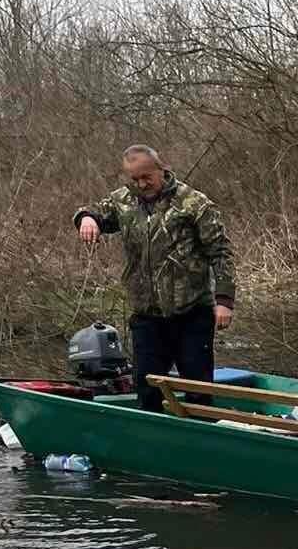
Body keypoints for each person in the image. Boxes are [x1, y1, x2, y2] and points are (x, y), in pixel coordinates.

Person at [74, 145, 237, 412]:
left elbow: (220, 252)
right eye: (135, 179)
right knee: (148, 392)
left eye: (146, 177)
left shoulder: (193, 203)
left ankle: (202, 432)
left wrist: (224, 300)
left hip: (191, 313)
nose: (141, 184)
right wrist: (87, 219)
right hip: (147, 317)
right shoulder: (123, 200)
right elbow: (93, 210)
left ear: (161, 169)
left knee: (198, 392)